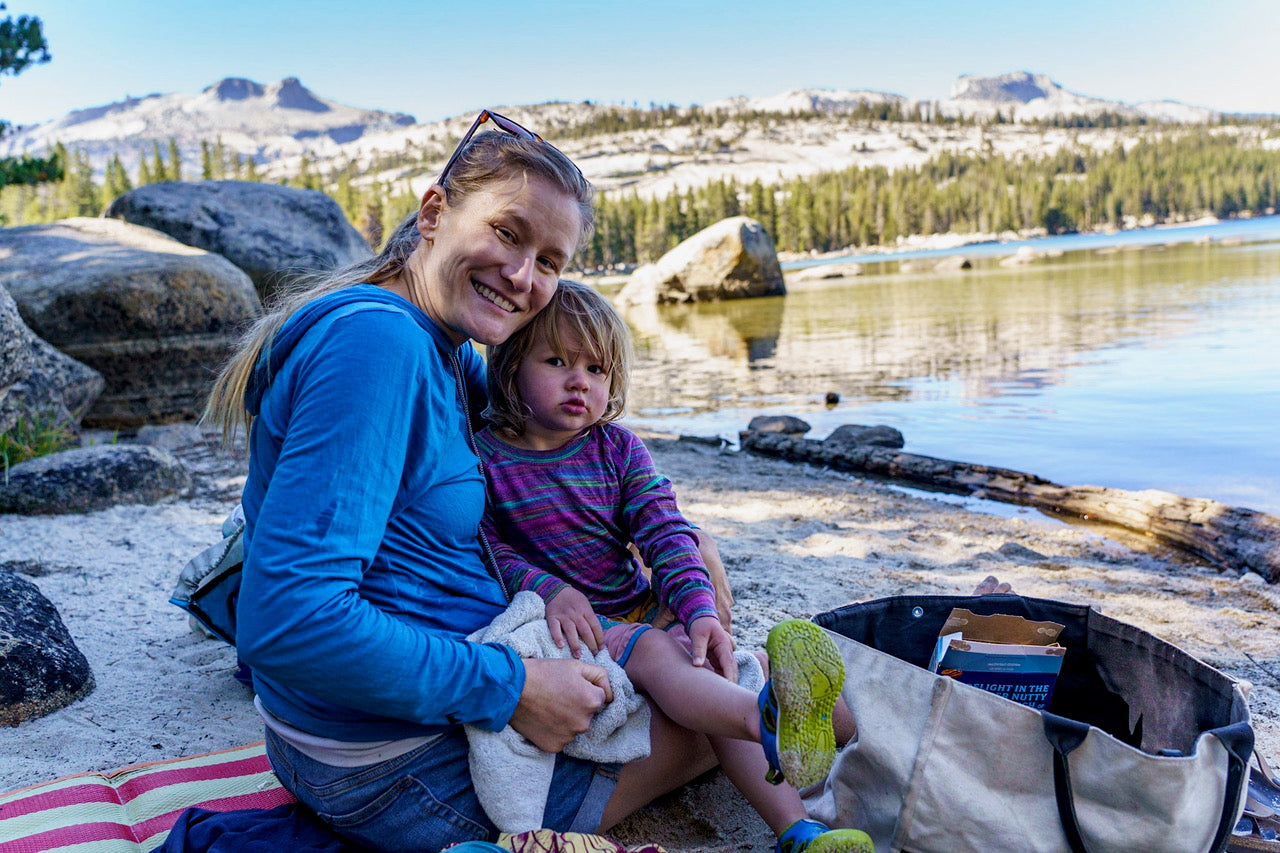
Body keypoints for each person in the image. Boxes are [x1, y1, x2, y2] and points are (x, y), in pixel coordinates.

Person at [201, 111, 724, 853]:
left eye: (550, 260)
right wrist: (512, 686)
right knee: (723, 721)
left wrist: (683, 547)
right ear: (434, 212)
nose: (523, 277)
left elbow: (544, 462)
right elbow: (286, 619)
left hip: (352, 729)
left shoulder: (445, 349)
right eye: (508, 233)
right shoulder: (377, 344)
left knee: (692, 636)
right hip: (390, 767)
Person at [476, 280, 873, 853]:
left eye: (596, 369)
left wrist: (699, 609)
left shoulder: (617, 449)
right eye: (556, 361)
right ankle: (769, 720)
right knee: (665, 658)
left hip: (638, 606)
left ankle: (800, 832)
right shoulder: (486, 459)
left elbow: (665, 533)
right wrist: (549, 590)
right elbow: (493, 548)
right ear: (511, 366)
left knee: (707, 661)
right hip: (581, 629)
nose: (578, 381)